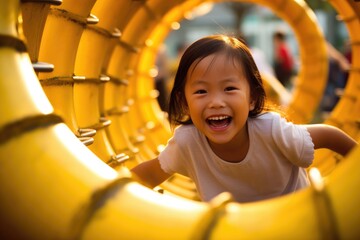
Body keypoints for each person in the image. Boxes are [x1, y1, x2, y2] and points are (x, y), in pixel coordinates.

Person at [131, 35, 357, 203]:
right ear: (184, 102)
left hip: (298, 223)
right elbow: (150, 173)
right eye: (201, 92)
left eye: (229, 88)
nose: (216, 102)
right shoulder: (188, 142)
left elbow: (330, 135)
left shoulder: (272, 131)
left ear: (252, 98)